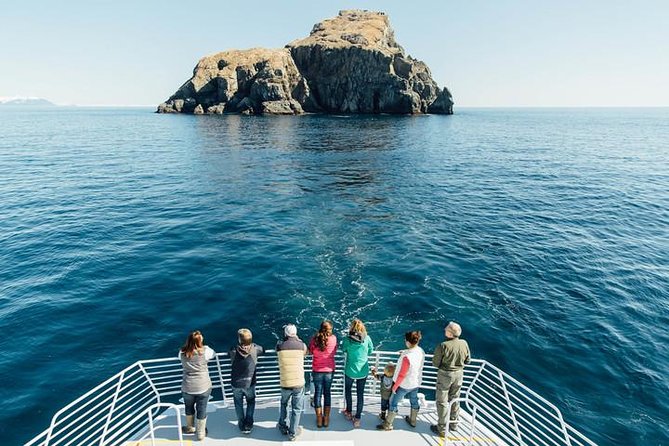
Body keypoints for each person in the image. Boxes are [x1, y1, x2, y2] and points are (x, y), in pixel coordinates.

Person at [377, 330, 425, 431]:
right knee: (414, 400)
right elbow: (413, 353)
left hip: (404, 385)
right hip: (415, 383)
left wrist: (395, 386)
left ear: (408, 342)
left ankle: (387, 424)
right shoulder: (421, 351)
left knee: (393, 402)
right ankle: (413, 420)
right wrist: (405, 351)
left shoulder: (406, 358)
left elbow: (402, 375)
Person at [430, 322, 471, 437]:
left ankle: (442, 428)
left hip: (445, 375)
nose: (444, 329)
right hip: (459, 374)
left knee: (442, 401)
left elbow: (435, 363)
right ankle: (454, 424)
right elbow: (468, 360)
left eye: (446, 329)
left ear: (450, 333)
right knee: (455, 398)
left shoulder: (443, 345)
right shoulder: (464, 343)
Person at [179, 330, 215, 440]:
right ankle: (200, 433)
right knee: (202, 409)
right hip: (203, 386)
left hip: (187, 386)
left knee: (188, 407)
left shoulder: (182, 352)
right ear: (200, 341)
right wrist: (204, 347)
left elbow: (181, 358)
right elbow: (213, 354)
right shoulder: (206, 351)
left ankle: (190, 428)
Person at [340, 318, 374, 428]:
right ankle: (357, 418)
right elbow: (371, 350)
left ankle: (349, 412)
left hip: (350, 370)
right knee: (360, 394)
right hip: (363, 371)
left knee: (348, 391)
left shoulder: (347, 339)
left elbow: (343, 349)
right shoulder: (367, 338)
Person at [276, 324, 308, 441]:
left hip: (285, 382)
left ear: (285, 334)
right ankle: (293, 433)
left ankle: (282, 426)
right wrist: (298, 340)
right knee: (296, 409)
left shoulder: (279, 345)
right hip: (298, 382)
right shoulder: (301, 345)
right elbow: (306, 352)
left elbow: (277, 350)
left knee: (284, 404)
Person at [229, 328, 264, 434]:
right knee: (251, 401)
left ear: (239, 340)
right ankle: (249, 423)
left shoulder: (234, 350)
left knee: (238, 403)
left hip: (236, 383)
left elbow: (229, 353)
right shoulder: (255, 349)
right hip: (250, 383)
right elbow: (262, 350)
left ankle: (241, 423)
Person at [308, 320, 337, 428]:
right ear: (330, 330)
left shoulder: (314, 339)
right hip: (329, 370)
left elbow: (311, 350)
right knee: (327, 393)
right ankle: (327, 419)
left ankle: (319, 419)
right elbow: (334, 352)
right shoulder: (333, 339)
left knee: (318, 394)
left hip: (317, 370)